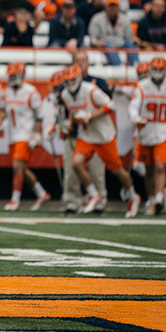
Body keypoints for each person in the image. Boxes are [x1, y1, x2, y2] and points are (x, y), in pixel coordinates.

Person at [61, 64, 142, 217]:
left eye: (73, 81)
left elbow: (111, 105)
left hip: (104, 136)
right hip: (86, 136)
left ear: (79, 79)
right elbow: (73, 110)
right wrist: (69, 123)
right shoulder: (65, 95)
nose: (71, 85)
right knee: (76, 163)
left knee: (116, 169)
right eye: (68, 81)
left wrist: (91, 116)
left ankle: (133, 196)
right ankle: (93, 194)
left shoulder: (90, 90)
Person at [62, 50, 110, 214]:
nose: (80, 64)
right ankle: (72, 202)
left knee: (96, 170)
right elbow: (64, 108)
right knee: (71, 170)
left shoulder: (96, 84)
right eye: (77, 61)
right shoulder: (66, 86)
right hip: (76, 133)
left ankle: (99, 201)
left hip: (94, 133)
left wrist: (90, 116)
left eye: (83, 60)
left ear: (88, 63)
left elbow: (108, 106)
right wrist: (65, 124)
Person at [0, 62, 50, 211]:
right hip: (12, 134)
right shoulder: (6, 92)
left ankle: (15, 200)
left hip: (26, 134)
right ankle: (42, 193)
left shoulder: (31, 92)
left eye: (15, 75)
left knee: (17, 166)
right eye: (11, 76)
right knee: (22, 168)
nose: (12, 78)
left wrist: (37, 133)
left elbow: (39, 117)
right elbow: (3, 111)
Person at [128, 58, 166, 215]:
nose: (157, 74)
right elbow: (133, 106)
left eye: (160, 70)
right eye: (155, 70)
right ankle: (150, 198)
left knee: (160, 166)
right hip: (146, 133)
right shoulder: (142, 87)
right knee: (148, 170)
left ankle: (160, 198)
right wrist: (135, 117)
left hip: (164, 133)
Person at [88, 0, 138, 66]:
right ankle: (119, 66)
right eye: (110, 6)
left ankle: (136, 64)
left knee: (130, 44)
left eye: (114, 6)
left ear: (118, 7)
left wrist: (134, 40)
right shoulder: (97, 18)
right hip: (105, 45)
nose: (112, 8)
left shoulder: (125, 19)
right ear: (105, 6)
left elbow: (129, 38)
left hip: (121, 44)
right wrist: (97, 42)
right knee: (106, 45)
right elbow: (92, 39)